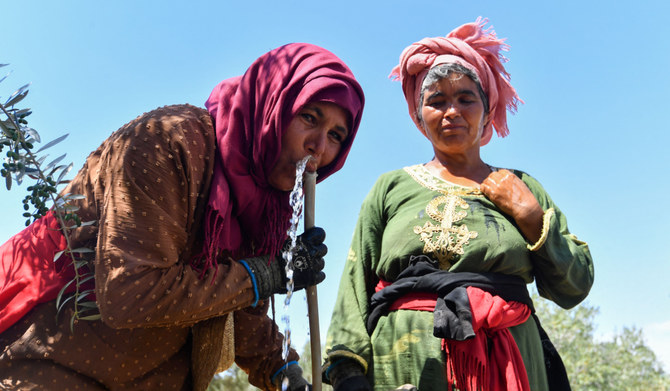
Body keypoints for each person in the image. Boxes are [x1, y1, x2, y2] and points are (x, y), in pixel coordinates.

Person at [0, 43, 364, 391]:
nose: (319, 145)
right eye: (309, 117)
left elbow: (239, 306)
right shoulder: (168, 144)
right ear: (272, 106)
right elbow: (129, 294)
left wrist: (285, 374)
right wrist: (263, 275)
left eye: (336, 135)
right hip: (52, 357)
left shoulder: (267, 204)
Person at [323, 18, 594, 391]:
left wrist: (532, 219)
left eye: (466, 98)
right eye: (436, 101)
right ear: (419, 117)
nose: (452, 111)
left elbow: (574, 287)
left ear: (486, 111)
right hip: (401, 366)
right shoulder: (390, 188)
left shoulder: (522, 186)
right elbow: (355, 285)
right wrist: (347, 372)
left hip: (508, 364)